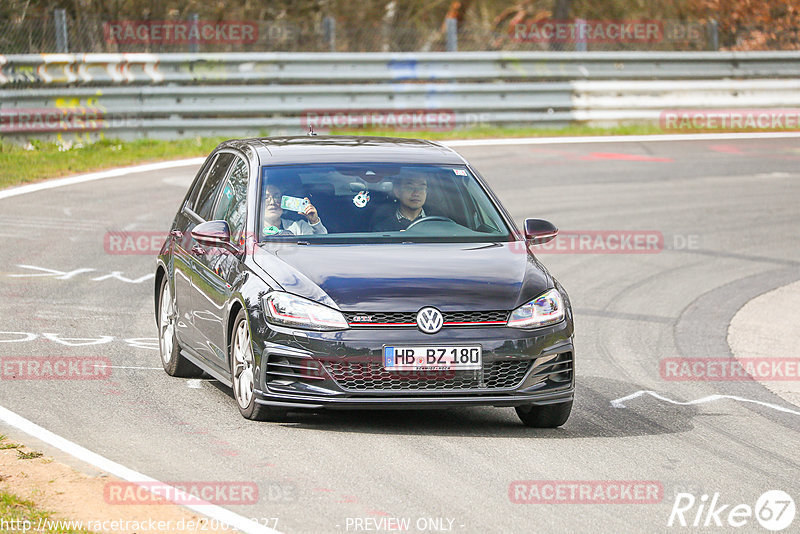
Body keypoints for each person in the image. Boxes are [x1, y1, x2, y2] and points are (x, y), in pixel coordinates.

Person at [262, 184, 327, 236]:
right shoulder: (253, 228)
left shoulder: (299, 227)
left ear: (283, 201)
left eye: (276, 196)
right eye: (266, 198)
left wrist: (314, 221)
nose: (272, 202)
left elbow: (321, 244)